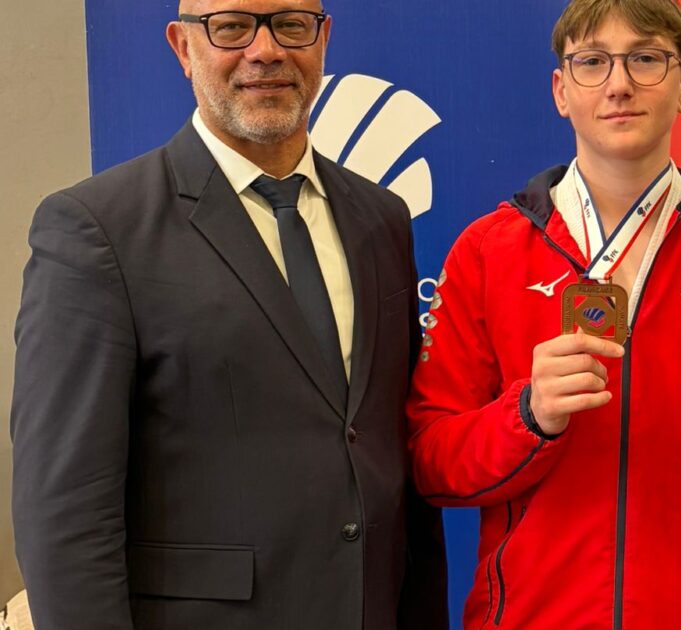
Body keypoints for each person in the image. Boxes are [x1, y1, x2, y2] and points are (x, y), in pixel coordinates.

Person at [10, 1, 447, 628]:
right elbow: (65, 511)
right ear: (183, 46)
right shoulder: (98, 229)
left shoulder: (381, 218)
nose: (265, 51)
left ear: (323, 38)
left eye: (290, 24)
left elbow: (389, 454)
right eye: (232, 26)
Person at [406, 0, 681, 627]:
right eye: (593, 62)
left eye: (646, 59)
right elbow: (431, 461)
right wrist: (527, 416)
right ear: (561, 90)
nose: (619, 84)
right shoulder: (488, 252)